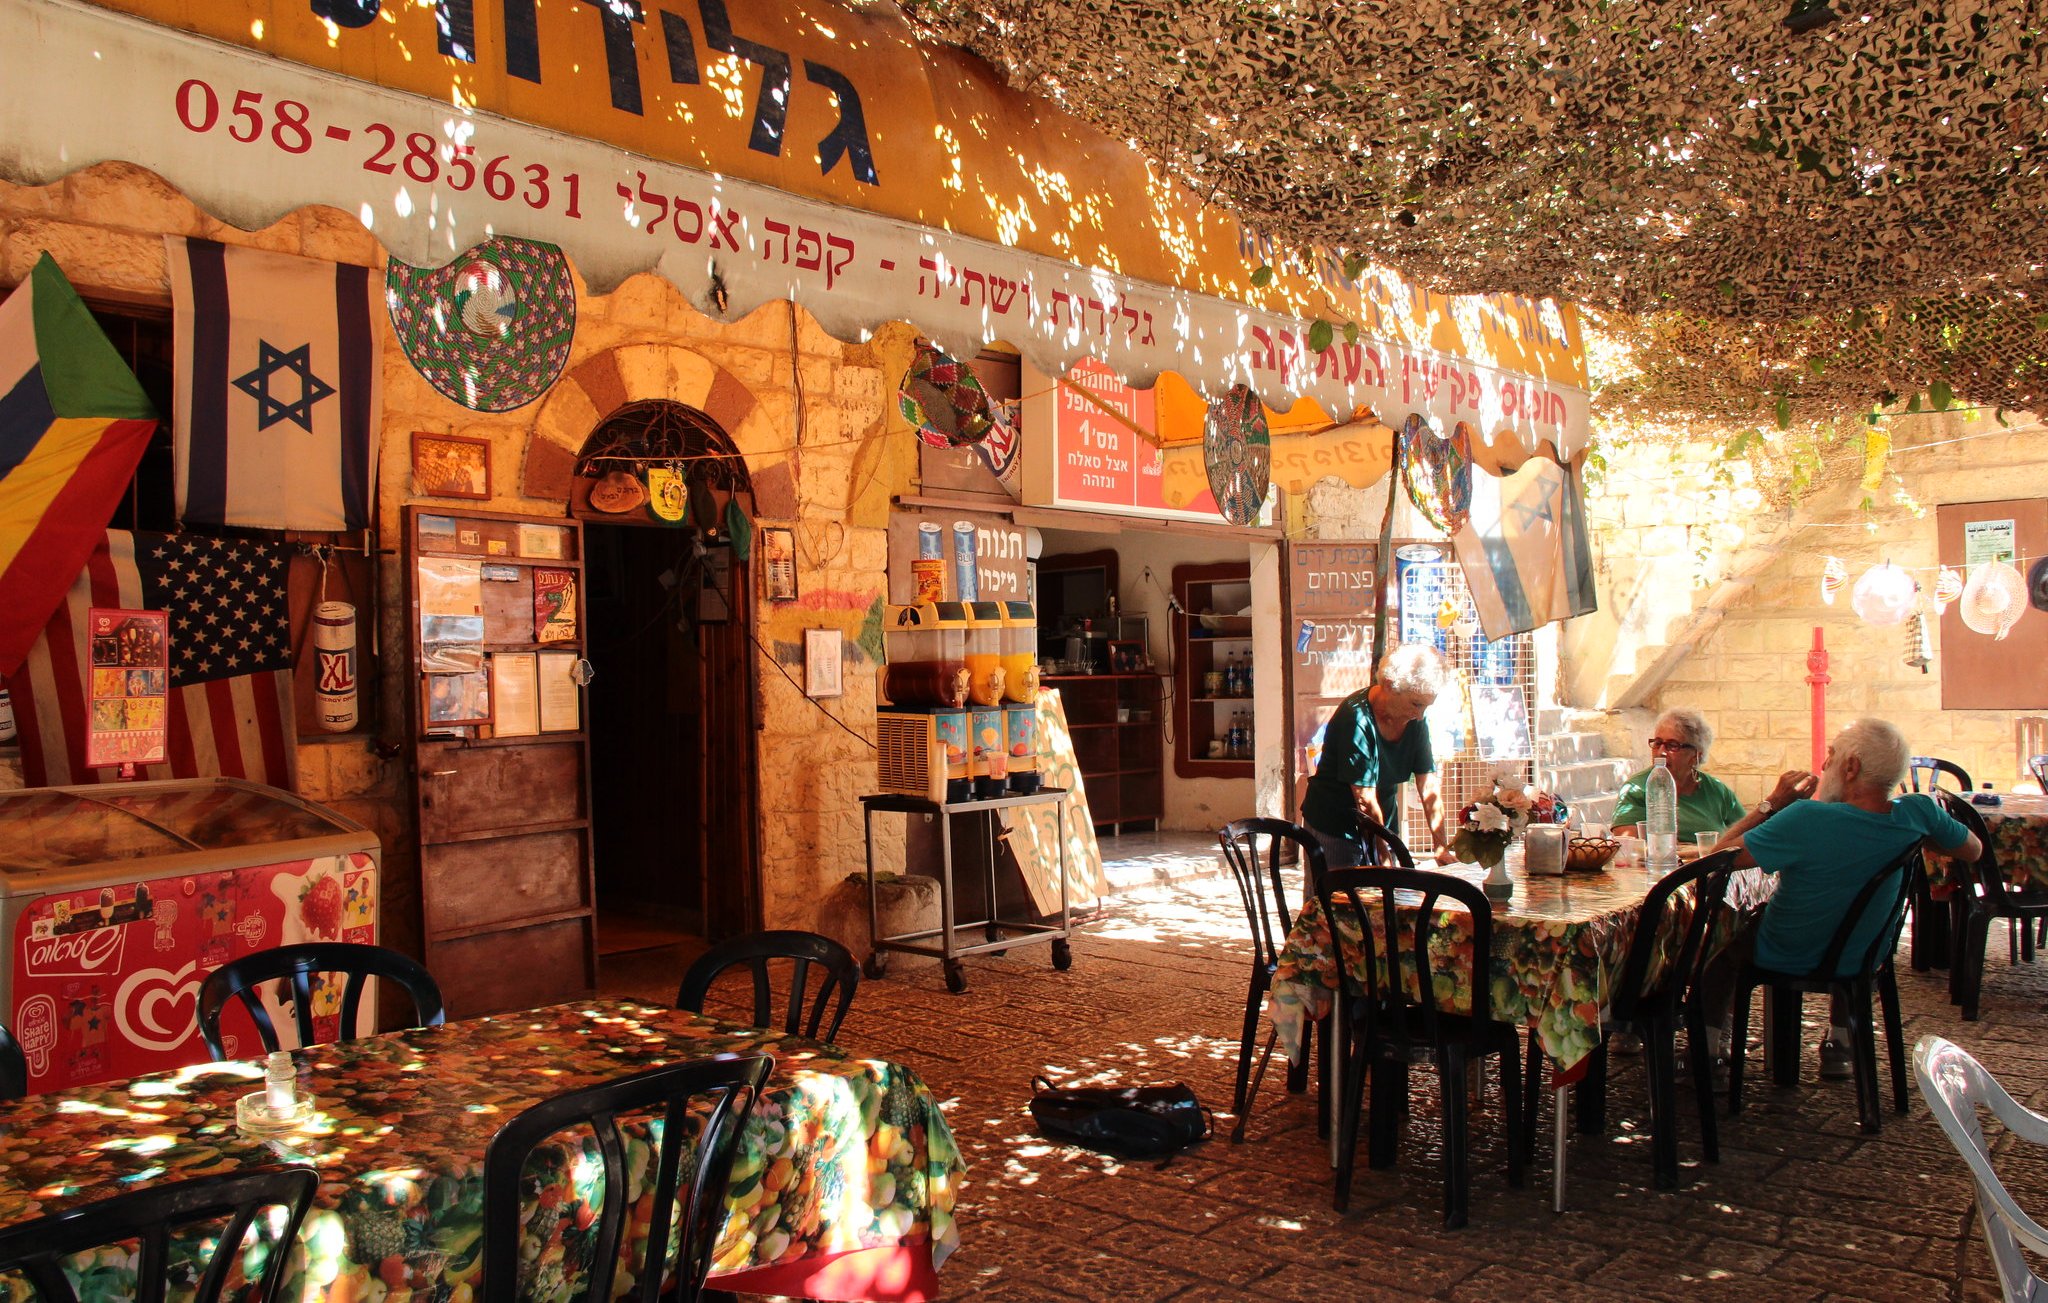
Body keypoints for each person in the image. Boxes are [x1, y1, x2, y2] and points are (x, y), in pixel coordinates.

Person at [1698, 718, 1980, 1082]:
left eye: (1831, 756)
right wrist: (1916, 837)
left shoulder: (1806, 818)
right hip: (1867, 953)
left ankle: (1704, 1055)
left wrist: (1771, 804)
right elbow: (1972, 850)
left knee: (1719, 946)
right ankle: (1840, 1044)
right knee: (1849, 925)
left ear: (1852, 766)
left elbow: (1716, 859)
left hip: (1787, 950)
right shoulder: (1918, 812)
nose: (1824, 765)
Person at [1301, 643, 1451, 867]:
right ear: (1390, 686)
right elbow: (1364, 798)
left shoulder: (1414, 719)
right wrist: (1382, 856)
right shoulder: (1356, 718)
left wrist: (1441, 846)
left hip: (1381, 824)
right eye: (1416, 704)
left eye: (1425, 707)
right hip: (1335, 826)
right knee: (1336, 898)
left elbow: (1427, 781)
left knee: (1388, 897)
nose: (1420, 715)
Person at [1612, 708, 1755, 841]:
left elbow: (1748, 836)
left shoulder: (1717, 791)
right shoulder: (1637, 789)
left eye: (1672, 745)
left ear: (1696, 755)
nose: (1661, 752)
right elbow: (1630, 846)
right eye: (1657, 743)